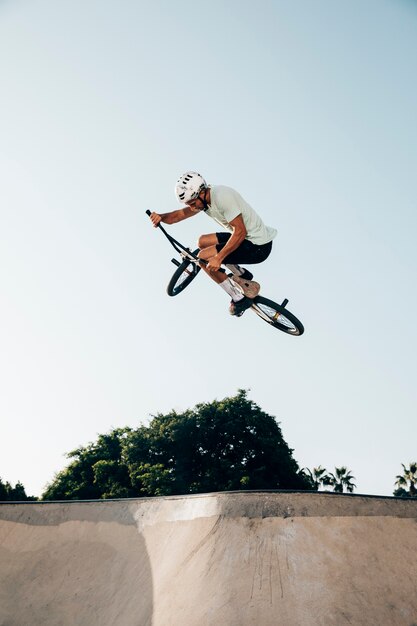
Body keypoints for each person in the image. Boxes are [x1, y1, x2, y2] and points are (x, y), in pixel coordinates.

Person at [149, 171, 277, 316]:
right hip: (249, 238)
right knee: (202, 242)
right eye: (188, 204)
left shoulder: (222, 197)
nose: (192, 207)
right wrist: (161, 217)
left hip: (258, 247)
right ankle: (241, 274)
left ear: (201, 192)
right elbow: (178, 215)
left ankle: (239, 299)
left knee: (203, 258)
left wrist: (219, 257)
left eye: (192, 203)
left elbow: (239, 232)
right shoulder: (203, 200)